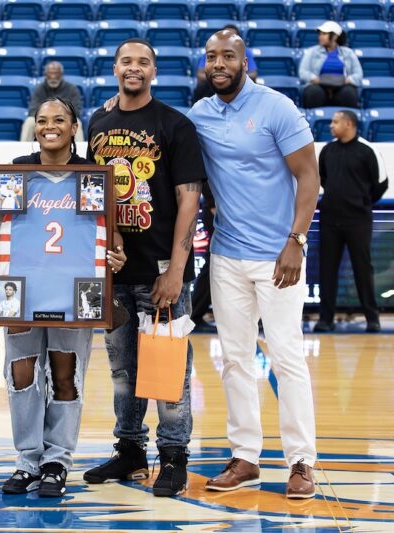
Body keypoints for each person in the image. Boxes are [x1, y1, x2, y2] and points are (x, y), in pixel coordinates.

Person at [188, 30, 320, 499]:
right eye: (211, 57)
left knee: (287, 358)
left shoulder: (276, 107)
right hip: (226, 256)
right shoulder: (201, 114)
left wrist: (296, 241)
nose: (218, 63)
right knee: (235, 360)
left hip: (278, 256)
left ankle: (302, 461)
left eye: (228, 55)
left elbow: (309, 176)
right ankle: (246, 457)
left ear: (245, 60)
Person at [0, 97, 126, 498]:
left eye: (59, 119)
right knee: (21, 374)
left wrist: (114, 253)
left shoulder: (92, 177)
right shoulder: (17, 173)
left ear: (74, 127)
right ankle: (27, 461)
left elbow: (106, 231)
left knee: (66, 377)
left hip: (75, 292)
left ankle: (56, 462)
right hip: (21, 291)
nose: (50, 126)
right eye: (43, 120)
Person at [84, 38, 206, 498]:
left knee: (169, 370)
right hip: (114, 272)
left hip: (161, 271)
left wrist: (176, 269)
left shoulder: (174, 124)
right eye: (127, 61)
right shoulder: (98, 122)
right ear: (115, 68)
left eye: (143, 62)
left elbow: (188, 199)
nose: (134, 68)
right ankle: (130, 451)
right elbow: (93, 195)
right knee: (123, 372)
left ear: (153, 70)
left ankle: (173, 457)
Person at [314, 110, 388, 333]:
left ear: (349, 124)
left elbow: (380, 184)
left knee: (362, 270)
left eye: (335, 122)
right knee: (327, 270)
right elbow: (323, 179)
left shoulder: (367, 151)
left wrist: (362, 202)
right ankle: (325, 319)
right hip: (330, 220)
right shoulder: (327, 151)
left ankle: (371, 318)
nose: (331, 126)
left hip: (358, 220)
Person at [299, 21, 362, 109]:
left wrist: (344, 81)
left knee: (349, 93)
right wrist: (317, 80)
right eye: (320, 34)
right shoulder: (312, 52)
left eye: (324, 34)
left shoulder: (348, 53)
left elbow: (358, 75)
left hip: (342, 86)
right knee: (314, 92)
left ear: (335, 36)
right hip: (318, 86)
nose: (320, 36)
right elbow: (303, 72)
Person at [20, 62, 84, 142]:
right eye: (50, 73)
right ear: (46, 74)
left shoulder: (72, 89)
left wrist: (59, 116)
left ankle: (80, 152)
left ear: (61, 74)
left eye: (56, 73)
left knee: (77, 122)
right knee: (29, 122)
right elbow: (32, 110)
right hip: (44, 119)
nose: (53, 76)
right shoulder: (39, 89)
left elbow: (76, 110)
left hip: (63, 118)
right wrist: (46, 117)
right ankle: (23, 150)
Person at [194, 24, 257, 103]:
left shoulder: (245, 52)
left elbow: (253, 74)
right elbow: (200, 74)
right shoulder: (211, 50)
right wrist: (218, 77)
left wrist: (234, 76)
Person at [190, 182, 216, 332]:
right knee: (212, 263)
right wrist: (212, 202)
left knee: (213, 263)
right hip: (216, 210)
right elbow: (206, 173)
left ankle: (196, 312)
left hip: (228, 209)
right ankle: (195, 313)